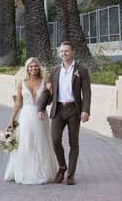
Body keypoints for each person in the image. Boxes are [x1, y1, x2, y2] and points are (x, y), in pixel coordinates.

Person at [38, 42, 91, 185]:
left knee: (74, 143)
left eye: (66, 51)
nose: (64, 54)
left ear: (73, 52)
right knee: (55, 140)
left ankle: (71, 175)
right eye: (62, 51)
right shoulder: (55, 70)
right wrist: (41, 108)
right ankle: (62, 167)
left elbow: (87, 93)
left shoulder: (82, 70)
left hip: (74, 110)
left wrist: (86, 110)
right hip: (58, 109)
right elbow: (48, 91)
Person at [4, 57, 60, 184]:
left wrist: (50, 91)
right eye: (31, 66)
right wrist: (11, 121)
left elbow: (49, 102)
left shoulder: (44, 82)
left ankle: (42, 171)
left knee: (41, 141)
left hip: (41, 116)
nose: (33, 68)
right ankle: (25, 171)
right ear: (27, 69)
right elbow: (18, 103)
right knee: (26, 141)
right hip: (26, 116)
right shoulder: (21, 83)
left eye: (35, 66)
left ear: (39, 68)